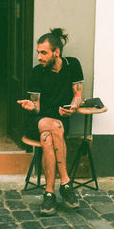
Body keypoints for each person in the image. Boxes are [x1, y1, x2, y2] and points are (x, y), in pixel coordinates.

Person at [17, 28, 83, 216]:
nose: (39, 57)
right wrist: (31, 107)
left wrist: (72, 107)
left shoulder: (73, 65)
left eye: (43, 52)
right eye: (38, 52)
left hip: (60, 121)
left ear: (57, 52)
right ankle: (65, 182)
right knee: (52, 126)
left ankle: (49, 193)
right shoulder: (37, 72)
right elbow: (37, 107)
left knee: (48, 137)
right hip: (37, 121)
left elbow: (78, 94)